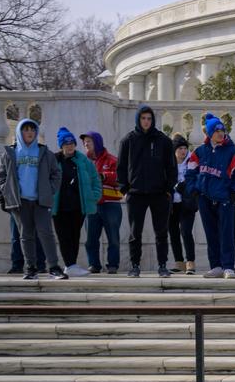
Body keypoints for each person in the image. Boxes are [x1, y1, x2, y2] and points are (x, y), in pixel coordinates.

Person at [0, 118, 66, 280]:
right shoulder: (10, 152)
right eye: (26, 130)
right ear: (19, 132)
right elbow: (0, 175)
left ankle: (54, 267)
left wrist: (49, 190)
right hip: (20, 202)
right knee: (25, 235)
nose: (29, 133)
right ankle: (31, 268)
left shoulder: (44, 152)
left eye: (32, 130)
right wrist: (7, 191)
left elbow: (56, 174)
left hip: (40, 201)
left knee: (46, 232)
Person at [186, 114, 235, 279]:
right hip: (205, 198)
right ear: (209, 133)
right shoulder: (200, 152)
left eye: (222, 130)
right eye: (217, 130)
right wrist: (193, 189)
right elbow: (190, 171)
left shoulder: (232, 151)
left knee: (227, 233)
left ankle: (228, 266)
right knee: (211, 233)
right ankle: (216, 266)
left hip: (225, 199)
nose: (221, 133)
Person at [117, 104, 177, 277]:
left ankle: (163, 265)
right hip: (136, 194)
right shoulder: (127, 140)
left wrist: (168, 188)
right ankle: (135, 266)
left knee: (161, 232)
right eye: (143, 118)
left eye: (149, 118)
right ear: (138, 119)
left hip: (159, 194)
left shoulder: (163, 140)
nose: (146, 122)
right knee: (135, 233)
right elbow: (120, 167)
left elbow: (171, 167)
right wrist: (125, 189)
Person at [51, 127, 102, 277]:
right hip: (59, 207)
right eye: (66, 143)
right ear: (61, 145)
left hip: (78, 206)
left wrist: (94, 196)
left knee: (75, 236)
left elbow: (95, 179)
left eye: (72, 142)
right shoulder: (54, 160)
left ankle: (71, 265)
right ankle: (69, 264)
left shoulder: (82, 159)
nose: (70, 145)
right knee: (63, 236)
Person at [81, 131, 122, 274]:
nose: (86, 144)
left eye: (89, 141)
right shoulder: (82, 162)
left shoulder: (112, 160)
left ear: (97, 143)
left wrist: (104, 176)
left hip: (111, 204)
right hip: (92, 206)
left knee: (113, 238)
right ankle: (94, 264)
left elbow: (120, 178)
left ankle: (113, 265)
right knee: (91, 239)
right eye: (85, 142)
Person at [168, 134, 197, 274]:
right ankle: (179, 262)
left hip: (187, 203)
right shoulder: (169, 163)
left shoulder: (192, 162)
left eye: (185, 148)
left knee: (186, 231)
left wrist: (182, 186)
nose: (183, 151)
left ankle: (190, 262)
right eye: (180, 148)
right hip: (171, 204)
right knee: (173, 233)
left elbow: (195, 180)